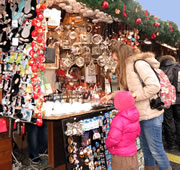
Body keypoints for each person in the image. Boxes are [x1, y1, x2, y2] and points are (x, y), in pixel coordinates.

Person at [100, 42, 172, 170]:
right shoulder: (126, 68)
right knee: (146, 151)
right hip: (139, 115)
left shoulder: (138, 64)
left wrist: (133, 96)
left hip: (151, 114)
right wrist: (111, 95)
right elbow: (126, 91)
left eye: (116, 60)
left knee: (156, 151)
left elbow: (154, 86)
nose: (115, 63)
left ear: (122, 57)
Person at [105, 91, 140, 170]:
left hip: (120, 156)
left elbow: (113, 138)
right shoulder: (135, 116)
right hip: (133, 154)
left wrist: (107, 144)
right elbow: (137, 133)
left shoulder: (118, 119)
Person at [159, 55, 180, 151]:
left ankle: (170, 144)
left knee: (168, 121)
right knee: (179, 120)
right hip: (179, 98)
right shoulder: (178, 68)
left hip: (166, 99)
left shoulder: (160, 70)